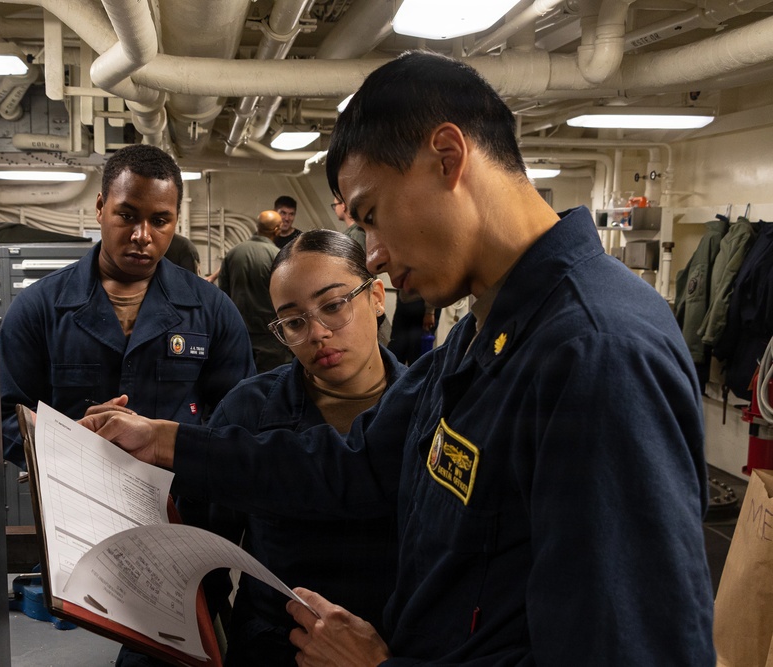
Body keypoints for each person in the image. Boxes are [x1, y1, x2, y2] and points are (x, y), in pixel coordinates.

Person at [80, 51, 715, 666]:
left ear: (448, 157)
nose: (374, 253)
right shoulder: (480, 338)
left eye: (373, 214)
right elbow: (352, 468)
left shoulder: (594, 353)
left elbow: (628, 650)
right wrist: (164, 441)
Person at [0, 144, 255, 667]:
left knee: (182, 645)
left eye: (160, 220)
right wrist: (66, 444)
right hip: (84, 517)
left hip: (183, 522)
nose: (143, 236)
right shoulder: (40, 310)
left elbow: (240, 422)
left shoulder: (210, 310)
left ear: (175, 220)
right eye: (127, 216)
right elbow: (5, 416)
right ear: (99, 208)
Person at [215, 229, 403, 666]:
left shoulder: (434, 408)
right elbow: (198, 565)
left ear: (377, 296)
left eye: (334, 306)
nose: (317, 333)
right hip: (274, 651)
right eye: (294, 322)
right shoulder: (248, 412)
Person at [218, 210, 294, 372]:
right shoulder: (278, 257)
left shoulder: (233, 253)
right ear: (276, 230)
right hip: (271, 338)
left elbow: (223, 294)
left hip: (239, 335)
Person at [386, 293, 440, 365]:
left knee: (416, 355)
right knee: (397, 351)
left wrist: (429, 311)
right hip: (405, 302)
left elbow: (434, 284)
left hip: (422, 306)